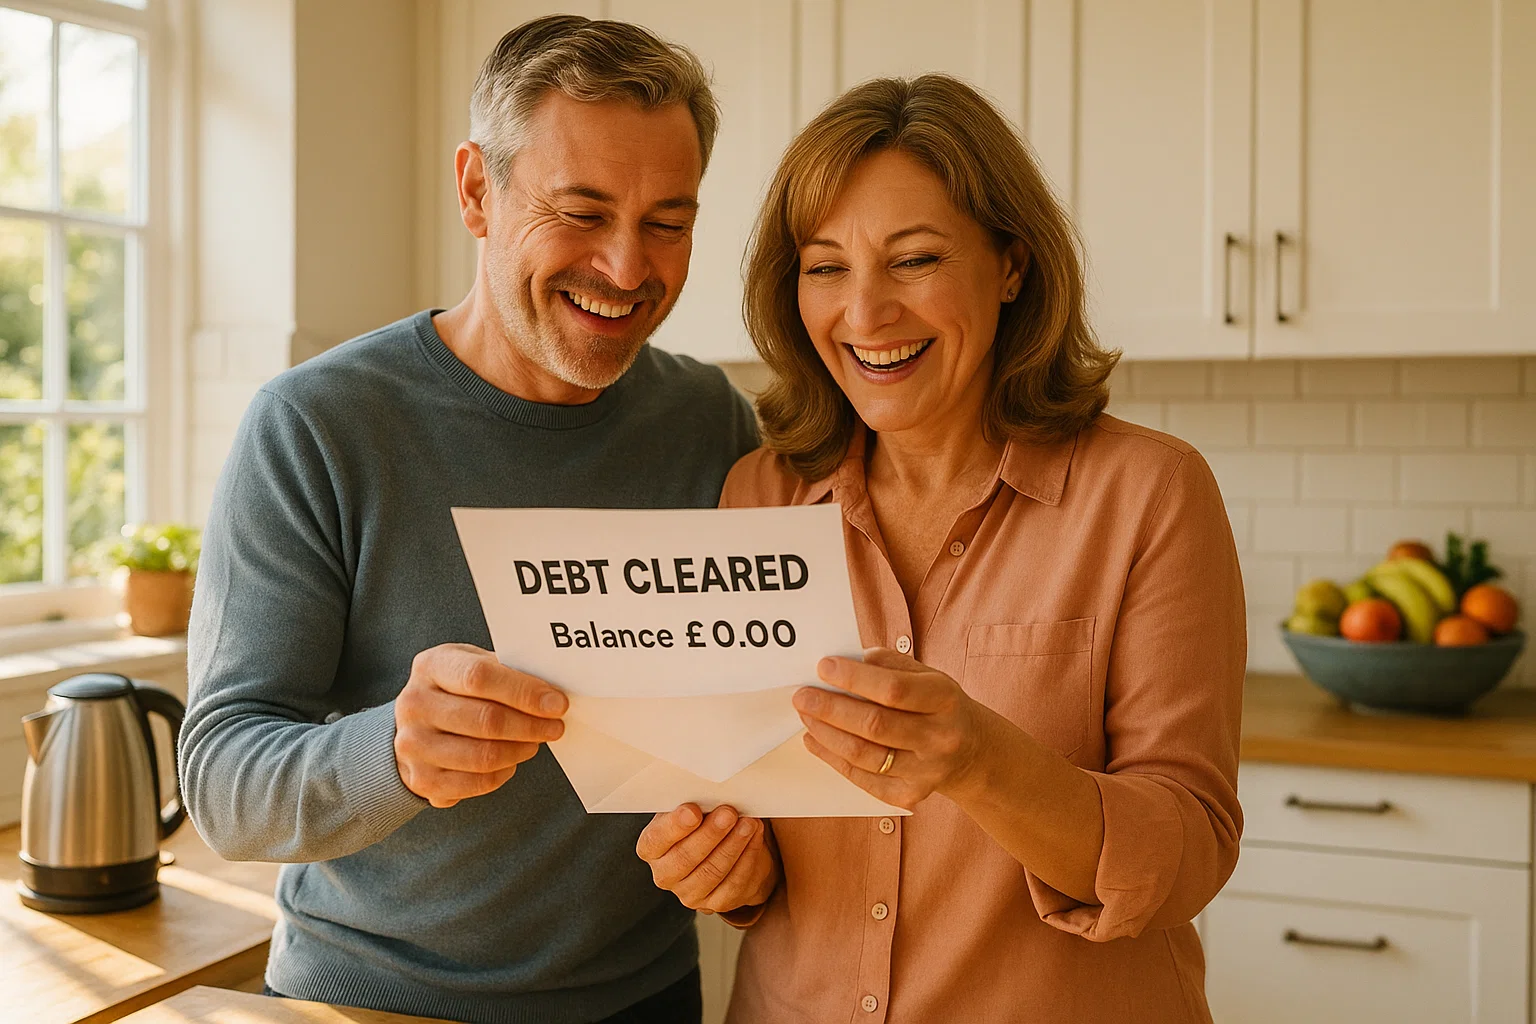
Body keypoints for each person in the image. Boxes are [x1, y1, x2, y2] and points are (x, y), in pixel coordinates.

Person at [179, 16, 757, 1024]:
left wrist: (747, 838)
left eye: (668, 219)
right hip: (371, 1001)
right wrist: (395, 752)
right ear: (476, 190)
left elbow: (746, 723)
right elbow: (223, 779)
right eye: (581, 211)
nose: (628, 268)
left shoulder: (710, 422)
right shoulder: (318, 426)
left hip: (647, 997)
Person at [637, 74, 1246, 1023]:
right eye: (826, 266)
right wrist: (729, 866)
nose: (866, 313)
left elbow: (1189, 853)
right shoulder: (759, 494)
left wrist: (982, 762)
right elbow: (760, 827)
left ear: (1012, 264)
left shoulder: (1149, 494)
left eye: (915, 259)